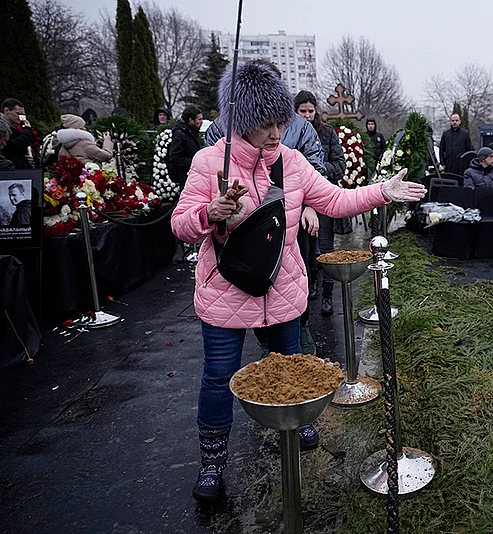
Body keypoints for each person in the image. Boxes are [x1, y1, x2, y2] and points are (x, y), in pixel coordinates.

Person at [170, 61, 425, 504]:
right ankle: (212, 461)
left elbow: (337, 199)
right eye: (265, 124)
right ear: (242, 121)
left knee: (294, 362)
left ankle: (298, 415)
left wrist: (383, 191)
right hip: (224, 291)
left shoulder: (293, 163)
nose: (276, 132)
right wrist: (208, 214)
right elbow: (179, 225)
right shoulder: (209, 161)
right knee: (217, 378)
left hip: (282, 287)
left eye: (280, 121)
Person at [293, 90, 346, 353]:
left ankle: (327, 295)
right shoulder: (290, 133)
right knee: (302, 249)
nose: (307, 115)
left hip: (321, 196)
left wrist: (320, 172)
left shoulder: (327, 134)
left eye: (310, 111)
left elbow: (340, 163)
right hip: (297, 201)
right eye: (302, 111)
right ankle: (309, 285)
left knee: (324, 247)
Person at [168, 106, 204, 188]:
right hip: (184, 176)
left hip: (192, 174)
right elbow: (174, 157)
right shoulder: (180, 134)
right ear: (191, 120)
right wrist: (193, 162)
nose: (202, 122)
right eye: (199, 119)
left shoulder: (193, 132)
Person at [1, 98, 35, 169]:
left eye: (23, 115)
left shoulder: (12, 128)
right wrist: (27, 131)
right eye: (18, 114)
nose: (20, 118)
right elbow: (13, 147)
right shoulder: (2, 127)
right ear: (6, 110)